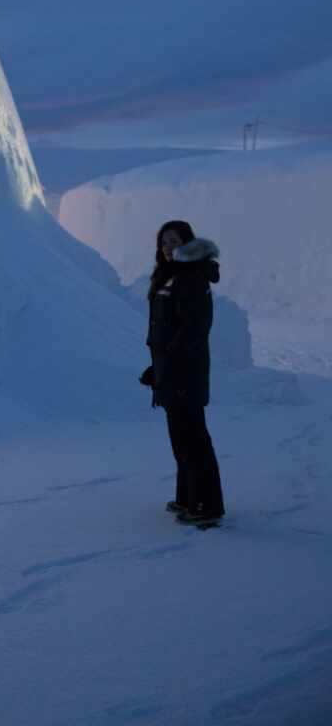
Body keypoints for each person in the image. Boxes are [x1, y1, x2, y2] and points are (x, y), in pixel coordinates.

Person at [143, 219, 225, 525]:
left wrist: (171, 366)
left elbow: (193, 329)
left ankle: (207, 506)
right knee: (181, 438)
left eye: (174, 241)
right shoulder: (170, 276)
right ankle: (188, 498)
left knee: (193, 439)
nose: (167, 247)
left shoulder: (190, 277)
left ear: (187, 243)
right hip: (173, 372)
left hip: (184, 374)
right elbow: (168, 329)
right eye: (163, 242)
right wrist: (157, 368)